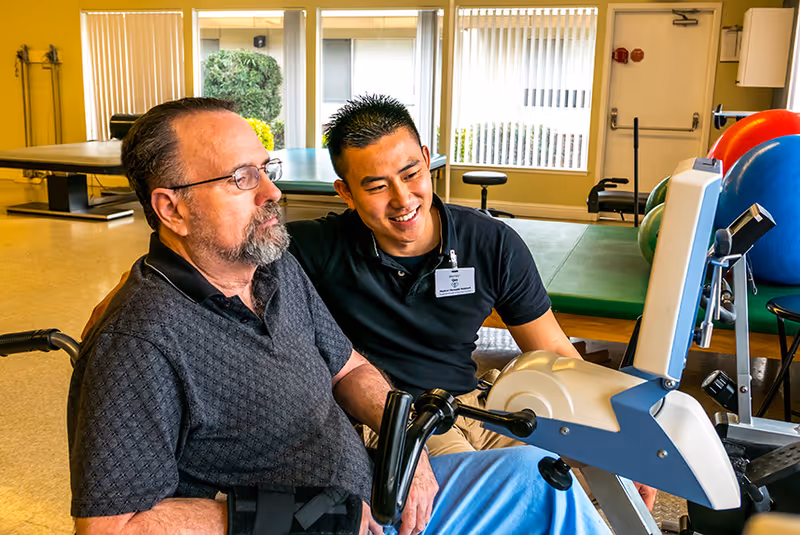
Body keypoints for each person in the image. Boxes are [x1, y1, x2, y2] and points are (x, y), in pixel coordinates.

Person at [70, 97, 611, 535]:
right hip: (327, 522)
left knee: (538, 476)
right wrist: (318, 517)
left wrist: (408, 444)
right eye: (241, 179)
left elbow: (348, 367)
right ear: (171, 208)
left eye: (266, 170)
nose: (273, 192)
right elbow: (110, 527)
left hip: (377, 496)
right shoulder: (138, 343)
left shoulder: (273, 268)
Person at [286, 94, 655, 509]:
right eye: (376, 187)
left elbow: (555, 352)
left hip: (474, 405)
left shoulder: (491, 243)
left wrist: (626, 441)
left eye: (410, 174)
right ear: (346, 193)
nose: (402, 198)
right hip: (390, 418)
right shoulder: (311, 250)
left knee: (590, 486)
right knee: (496, 502)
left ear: (427, 161)